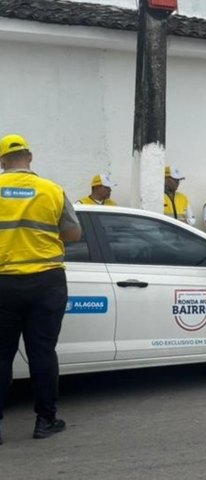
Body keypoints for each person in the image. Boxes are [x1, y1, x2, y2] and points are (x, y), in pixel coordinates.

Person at [0, 134, 81, 443]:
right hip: (46, 281)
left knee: (1, 355)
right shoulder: (52, 190)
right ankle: (45, 421)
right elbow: (73, 234)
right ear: (30, 157)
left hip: (3, 282)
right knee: (42, 352)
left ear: (2, 161)